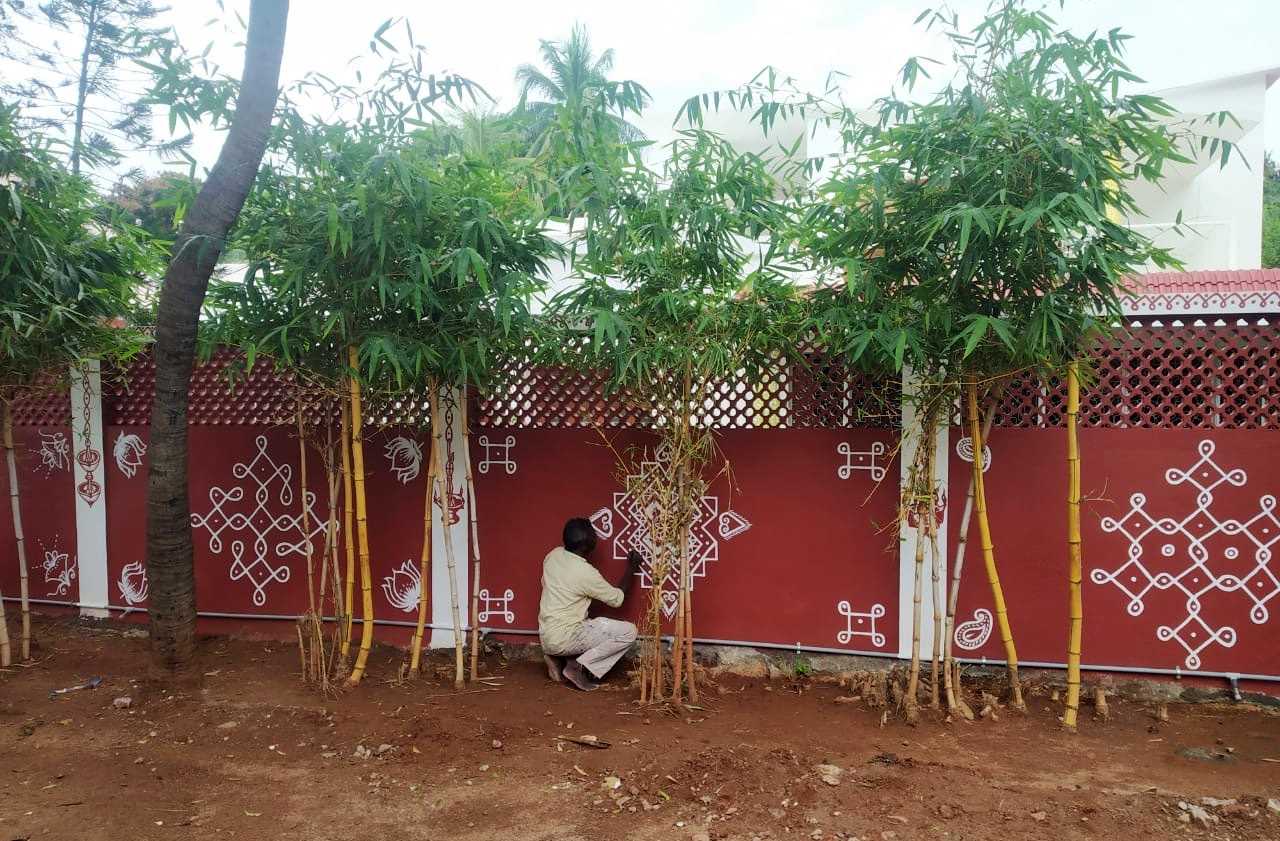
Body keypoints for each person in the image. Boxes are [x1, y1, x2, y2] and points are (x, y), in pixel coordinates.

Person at [538, 517, 642, 691]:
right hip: (566, 637)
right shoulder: (586, 573)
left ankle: (556, 657)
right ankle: (578, 667)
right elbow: (617, 599)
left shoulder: (553, 555)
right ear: (588, 546)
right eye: (594, 533)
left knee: (585, 622)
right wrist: (631, 568)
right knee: (629, 632)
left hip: (546, 635)